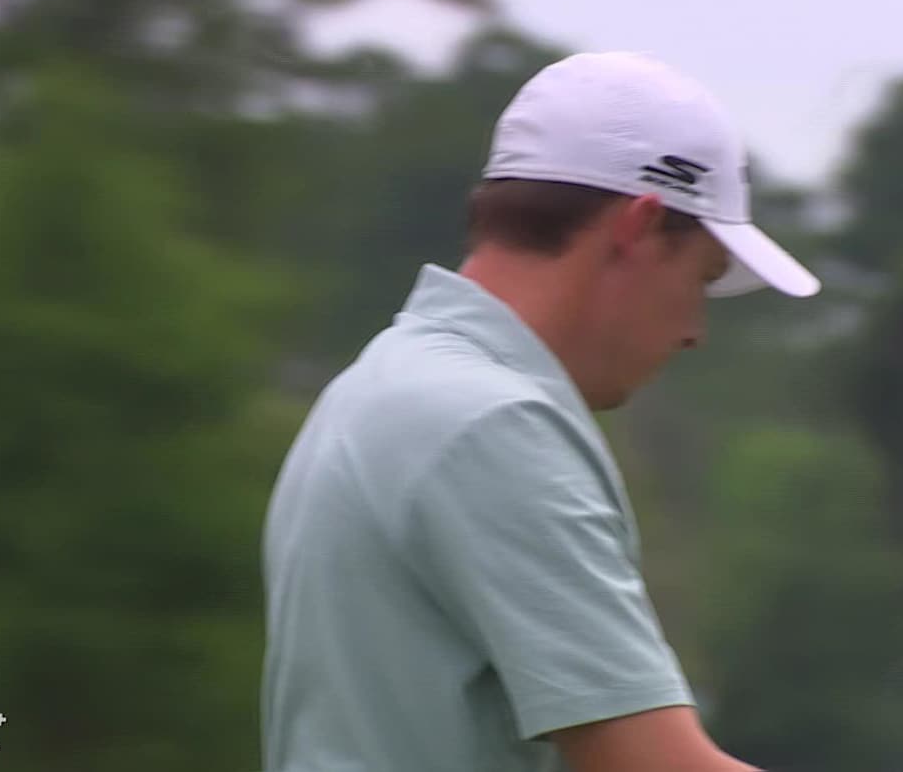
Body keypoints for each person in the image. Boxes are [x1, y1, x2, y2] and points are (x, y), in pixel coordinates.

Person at [260, 51, 821, 772]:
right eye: (701, 277)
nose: (695, 330)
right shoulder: (492, 424)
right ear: (641, 226)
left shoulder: (385, 386)